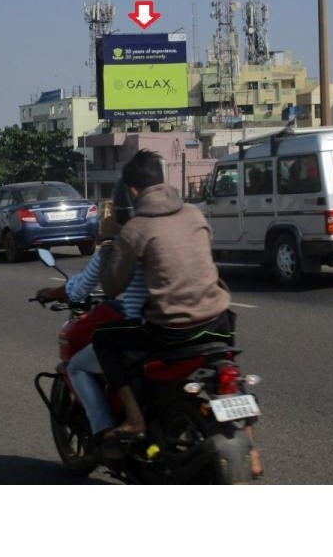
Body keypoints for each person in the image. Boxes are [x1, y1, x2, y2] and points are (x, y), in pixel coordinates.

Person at [92, 149, 263, 477]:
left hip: (173, 330)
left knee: (103, 340)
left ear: (132, 190)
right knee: (228, 369)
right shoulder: (196, 215)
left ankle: (134, 417)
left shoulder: (136, 228)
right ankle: (253, 453)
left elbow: (112, 287)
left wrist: (108, 243)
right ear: (162, 181)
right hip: (219, 322)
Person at [35, 192, 148, 439]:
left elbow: (79, 288)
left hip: (148, 328)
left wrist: (53, 293)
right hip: (198, 322)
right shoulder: (158, 238)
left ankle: (104, 431)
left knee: (79, 365)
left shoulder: (112, 250)